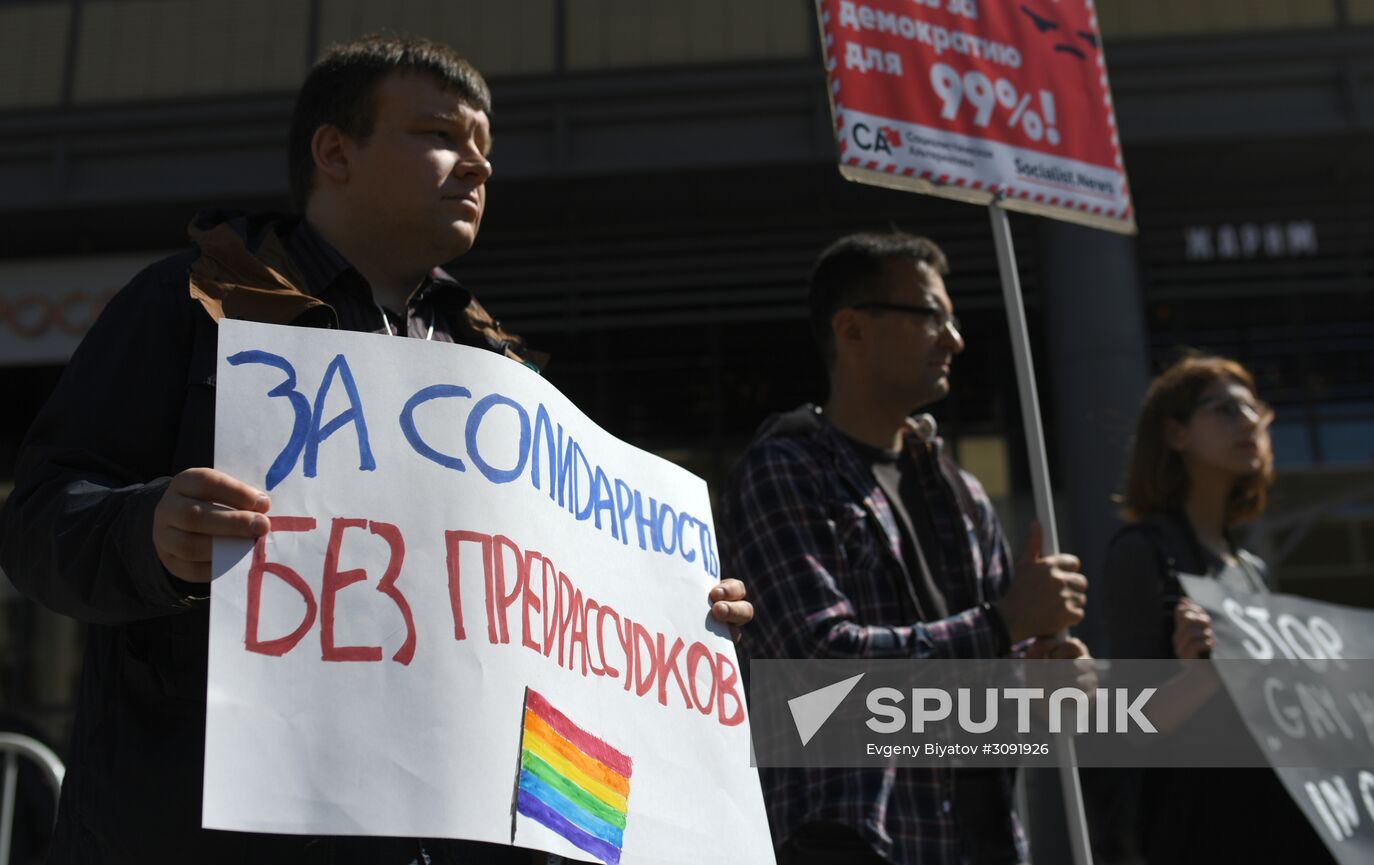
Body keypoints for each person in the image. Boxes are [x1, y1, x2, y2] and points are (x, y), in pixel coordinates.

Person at [0, 35, 752, 865]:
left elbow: (548, 617)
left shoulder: (503, 375)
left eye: (485, 149)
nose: (477, 167)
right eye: (440, 135)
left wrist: (670, 609)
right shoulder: (193, 304)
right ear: (335, 151)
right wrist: (149, 532)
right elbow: (38, 518)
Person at [719, 231, 1089, 865]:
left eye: (954, 319)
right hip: (853, 843)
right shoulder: (786, 470)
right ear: (853, 330)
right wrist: (1004, 623)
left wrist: (1050, 676)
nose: (954, 339)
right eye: (932, 316)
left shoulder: (961, 493)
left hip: (985, 842)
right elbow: (817, 678)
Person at [1101, 353, 1332, 864]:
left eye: (1254, 411)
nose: (1248, 422)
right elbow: (1125, 729)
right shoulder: (1144, 553)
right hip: (1200, 829)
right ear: (1176, 434)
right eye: (1224, 410)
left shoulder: (1251, 569)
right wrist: (1204, 678)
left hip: (1278, 822)